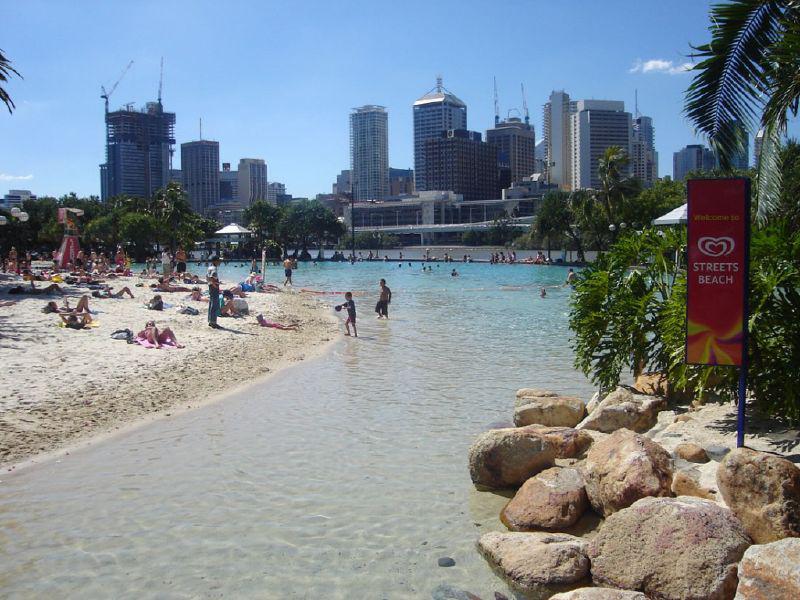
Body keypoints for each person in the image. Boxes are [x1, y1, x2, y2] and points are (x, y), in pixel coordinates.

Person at [207, 256, 221, 328]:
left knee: (211, 303)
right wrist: (215, 285)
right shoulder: (214, 269)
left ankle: (210, 320)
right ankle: (213, 322)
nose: (219, 262)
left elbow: (207, 277)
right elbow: (212, 277)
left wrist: (212, 283)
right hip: (213, 287)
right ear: (215, 261)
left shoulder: (209, 267)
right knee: (214, 304)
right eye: (218, 260)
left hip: (210, 287)